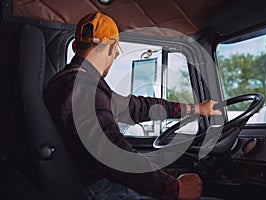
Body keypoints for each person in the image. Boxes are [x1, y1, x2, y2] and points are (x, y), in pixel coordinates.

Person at [43, 11, 222, 200]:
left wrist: (196, 109)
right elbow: (113, 153)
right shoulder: (84, 89)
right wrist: (173, 190)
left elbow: (139, 106)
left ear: (74, 46)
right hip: (101, 192)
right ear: (112, 47)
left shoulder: (78, 85)